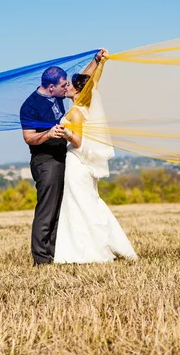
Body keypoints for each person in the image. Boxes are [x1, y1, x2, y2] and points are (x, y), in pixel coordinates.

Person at [20, 50, 105, 266]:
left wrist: (95, 62)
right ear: (51, 87)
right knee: (47, 209)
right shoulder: (30, 106)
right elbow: (28, 137)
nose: (66, 87)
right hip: (45, 161)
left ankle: (55, 252)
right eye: (62, 85)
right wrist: (47, 134)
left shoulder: (57, 94)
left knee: (60, 208)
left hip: (63, 158)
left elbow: (80, 84)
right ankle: (41, 258)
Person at [53, 67, 138, 264]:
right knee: (88, 202)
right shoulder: (84, 108)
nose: (66, 87)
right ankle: (91, 247)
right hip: (81, 163)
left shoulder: (76, 113)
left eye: (69, 85)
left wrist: (64, 133)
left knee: (80, 205)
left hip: (76, 161)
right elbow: (92, 81)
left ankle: (87, 251)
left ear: (77, 90)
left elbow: (79, 142)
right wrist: (100, 63)